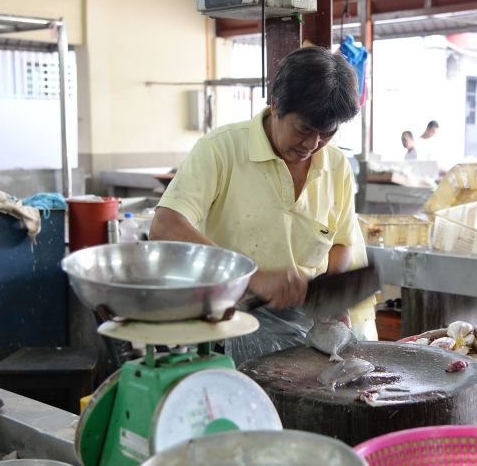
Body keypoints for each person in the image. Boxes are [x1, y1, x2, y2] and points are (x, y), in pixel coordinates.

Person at [149, 45, 377, 365]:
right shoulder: (220, 149)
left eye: (326, 133)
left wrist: (331, 297)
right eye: (303, 129)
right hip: (230, 317)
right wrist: (249, 278)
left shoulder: (336, 165)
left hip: (303, 322)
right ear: (275, 105)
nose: (311, 145)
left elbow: (340, 241)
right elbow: (164, 226)